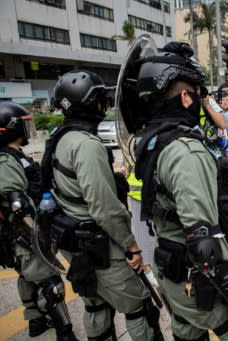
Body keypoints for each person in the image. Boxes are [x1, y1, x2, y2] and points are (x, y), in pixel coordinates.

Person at [120, 41, 228, 340]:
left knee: (187, 333)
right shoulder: (185, 150)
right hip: (200, 280)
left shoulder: (151, 141)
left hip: (172, 272)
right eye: (200, 94)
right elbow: (204, 243)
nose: (203, 100)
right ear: (186, 97)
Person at [45, 70, 162, 340]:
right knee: (140, 308)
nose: (104, 106)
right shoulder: (86, 145)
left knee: (96, 305)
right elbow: (105, 208)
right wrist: (131, 246)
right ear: (88, 103)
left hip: (74, 241)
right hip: (101, 246)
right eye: (100, 100)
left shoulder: (60, 137)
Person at [0, 102, 77, 341]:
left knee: (28, 277)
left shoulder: (14, 155)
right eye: (24, 126)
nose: (28, 130)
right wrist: (37, 234)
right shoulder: (4, 160)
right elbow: (17, 202)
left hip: (24, 232)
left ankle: (35, 321)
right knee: (51, 283)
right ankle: (65, 333)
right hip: (25, 232)